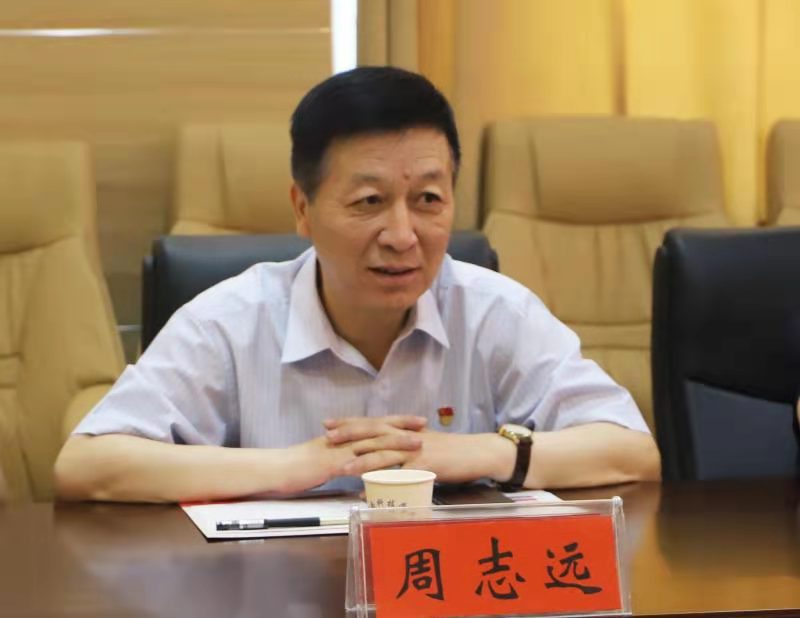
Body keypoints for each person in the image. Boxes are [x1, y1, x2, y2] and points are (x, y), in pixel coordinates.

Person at [55, 67, 660, 503]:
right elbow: (86, 465)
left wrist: (476, 452)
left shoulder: (494, 310)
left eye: (428, 199)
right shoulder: (229, 320)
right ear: (303, 209)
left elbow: (632, 452)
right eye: (369, 201)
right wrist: (296, 466)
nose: (402, 235)